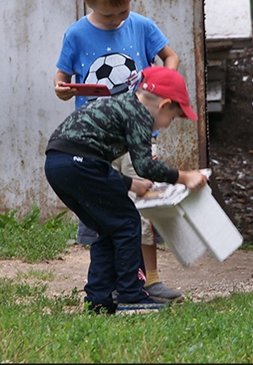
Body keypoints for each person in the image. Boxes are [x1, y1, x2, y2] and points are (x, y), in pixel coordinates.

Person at [52, 0, 184, 302]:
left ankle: (149, 279)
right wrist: (62, 89)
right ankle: (112, 284)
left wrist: (162, 83)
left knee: (143, 207)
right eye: (110, 15)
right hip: (96, 145)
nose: (119, 20)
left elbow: (171, 58)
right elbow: (60, 79)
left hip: (137, 137)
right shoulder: (76, 33)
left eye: (124, 11)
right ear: (88, 4)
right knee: (107, 213)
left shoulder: (140, 25)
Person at [45, 66, 209, 314]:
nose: (166, 125)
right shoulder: (140, 115)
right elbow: (144, 165)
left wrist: (131, 184)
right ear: (164, 105)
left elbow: (94, 160)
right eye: (173, 118)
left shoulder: (123, 104)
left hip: (58, 164)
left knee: (107, 228)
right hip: (80, 162)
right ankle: (131, 296)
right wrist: (184, 177)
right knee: (128, 222)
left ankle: (99, 300)